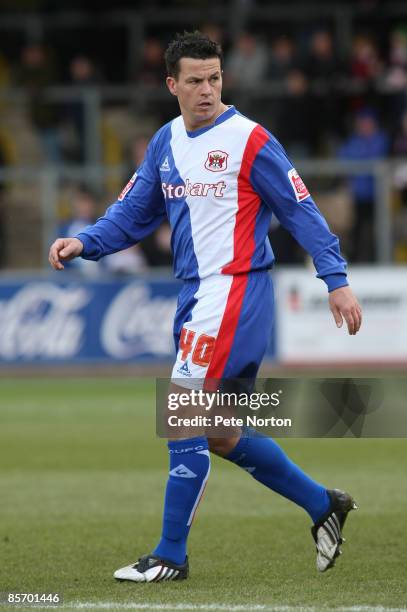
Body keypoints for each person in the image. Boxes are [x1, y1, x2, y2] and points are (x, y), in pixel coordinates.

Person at [49, 31, 362, 583]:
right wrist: (86, 242)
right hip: (199, 296)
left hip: (233, 292)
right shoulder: (166, 142)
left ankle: (170, 555)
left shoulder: (250, 140)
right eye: (194, 80)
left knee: (181, 413)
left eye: (214, 78)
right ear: (172, 84)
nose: (207, 90)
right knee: (216, 430)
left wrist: (334, 278)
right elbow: (133, 209)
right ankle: (322, 505)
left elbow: (300, 207)